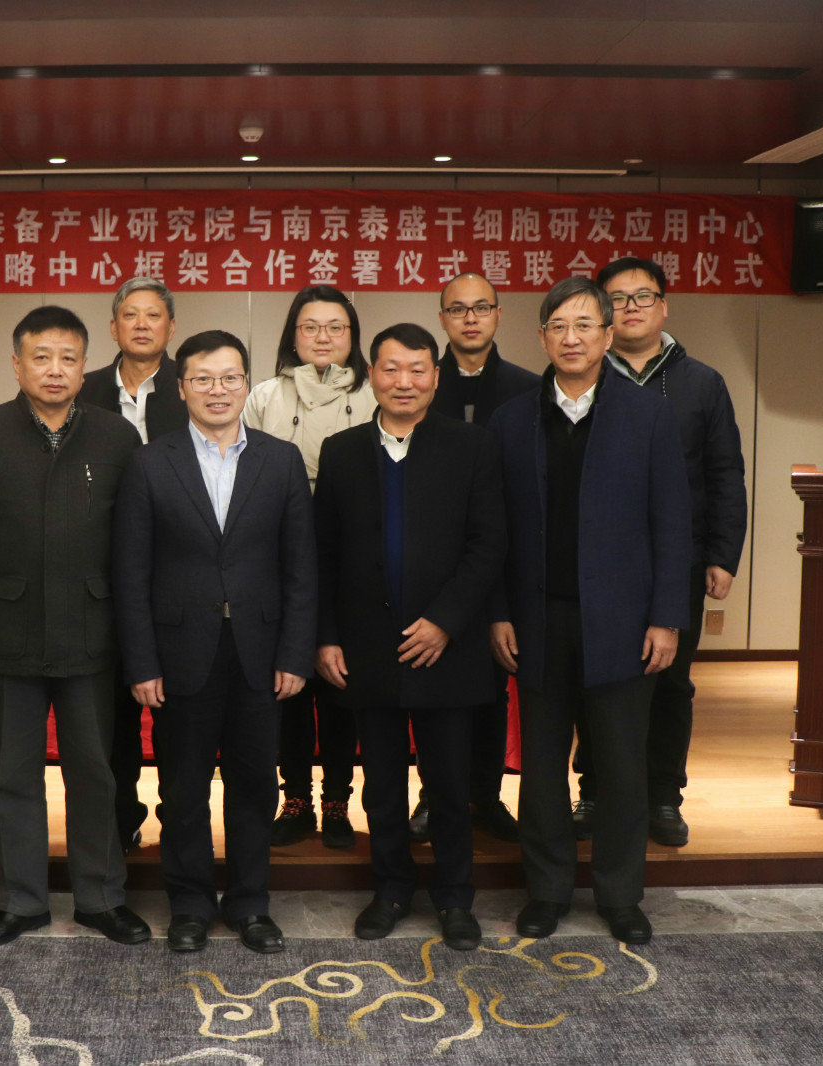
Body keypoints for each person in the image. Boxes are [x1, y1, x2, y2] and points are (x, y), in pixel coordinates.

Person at [487, 276, 691, 946]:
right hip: (537, 619)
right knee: (542, 767)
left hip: (625, 624)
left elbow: (673, 523)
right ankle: (546, 891)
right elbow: (493, 531)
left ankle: (620, 895)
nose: (571, 338)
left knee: (623, 766)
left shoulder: (648, 416)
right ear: (541, 337)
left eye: (584, 326)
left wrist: (666, 617)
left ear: (607, 335)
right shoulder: (512, 419)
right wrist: (498, 612)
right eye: (558, 327)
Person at [0, 306, 151, 949]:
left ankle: (101, 897)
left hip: (91, 629)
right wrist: (3, 581)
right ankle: (21, 901)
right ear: (16, 364)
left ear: (84, 368)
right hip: (8, 629)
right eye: (41, 357)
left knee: (95, 772)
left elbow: (132, 532)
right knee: (15, 775)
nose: (55, 370)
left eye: (68, 359)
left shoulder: (116, 437)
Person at [113, 329, 316, 955]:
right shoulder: (151, 461)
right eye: (202, 378)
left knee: (255, 785)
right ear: (181, 388)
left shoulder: (281, 460)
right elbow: (131, 571)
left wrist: (295, 652)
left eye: (230, 377)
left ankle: (251, 903)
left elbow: (301, 568)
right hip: (180, 652)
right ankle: (191, 904)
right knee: (183, 788)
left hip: (260, 651)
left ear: (246, 384)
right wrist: (141, 660)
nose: (217, 389)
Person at [314, 323, 506, 950]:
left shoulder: (472, 446)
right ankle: (391, 890)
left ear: (436, 377)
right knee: (383, 786)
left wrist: (445, 620)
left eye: (418, 369)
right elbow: (323, 553)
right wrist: (326, 636)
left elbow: (488, 543)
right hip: (368, 649)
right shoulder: (342, 451)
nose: (404, 382)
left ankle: (454, 897)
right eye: (391, 369)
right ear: (371, 374)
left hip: (447, 647)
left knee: (450, 784)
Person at [569, 258, 748, 848]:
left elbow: (725, 474)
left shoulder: (702, 383)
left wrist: (722, 554)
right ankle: (594, 791)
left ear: (664, 307)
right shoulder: (585, 381)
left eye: (643, 296)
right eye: (617, 298)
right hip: (599, 564)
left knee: (670, 682)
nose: (631, 307)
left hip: (679, 561)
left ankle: (663, 796)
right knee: (597, 679)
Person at [407, 274, 542, 845]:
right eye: (457, 309)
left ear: (498, 315)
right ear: (442, 318)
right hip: (429, 567)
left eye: (481, 308)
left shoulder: (528, 389)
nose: (470, 318)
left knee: (492, 685)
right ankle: (432, 796)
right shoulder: (419, 383)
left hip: (503, 561)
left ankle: (485, 794)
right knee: (429, 685)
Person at [244, 285, 377, 849]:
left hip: (353, 560)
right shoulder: (263, 396)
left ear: (353, 336)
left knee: (342, 683)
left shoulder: (373, 393)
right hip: (277, 558)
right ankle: (295, 798)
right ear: (292, 336)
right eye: (310, 326)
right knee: (289, 685)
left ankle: (338, 802)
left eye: (336, 327)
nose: (323, 337)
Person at [80, 276, 189, 851]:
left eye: (153, 315)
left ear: (171, 327)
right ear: (113, 326)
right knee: (111, 714)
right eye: (130, 314)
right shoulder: (84, 389)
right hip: (99, 574)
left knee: (177, 710)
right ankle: (118, 821)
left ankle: (180, 824)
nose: (142, 324)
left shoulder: (191, 386)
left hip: (178, 574)